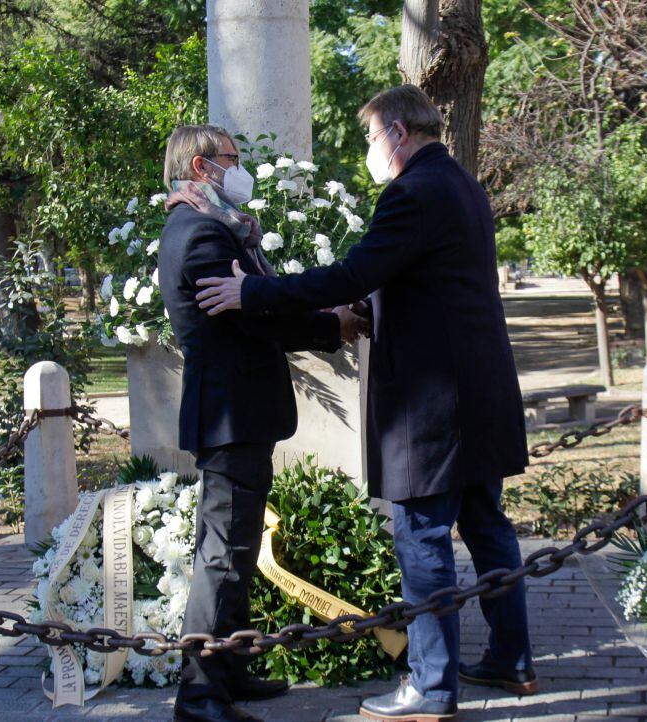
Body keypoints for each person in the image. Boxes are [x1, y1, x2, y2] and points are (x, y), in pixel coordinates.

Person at [195, 85, 535, 722]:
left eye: (371, 138)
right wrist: (364, 315)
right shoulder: (463, 185)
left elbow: (353, 274)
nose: (370, 151)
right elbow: (426, 282)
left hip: (434, 403)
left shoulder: (410, 193)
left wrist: (255, 293)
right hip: (479, 388)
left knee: (423, 537)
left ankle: (431, 688)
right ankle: (511, 660)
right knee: (488, 526)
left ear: (400, 132)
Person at [157, 125, 368, 722]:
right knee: (223, 556)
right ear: (202, 168)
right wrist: (333, 327)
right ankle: (199, 695)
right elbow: (253, 318)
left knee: (237, 549)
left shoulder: (220, 228)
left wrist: (324, 313)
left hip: (242, 414)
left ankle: (231, 669)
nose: (241, 168)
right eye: (233, 159)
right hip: (230, 415)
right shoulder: (199, 233)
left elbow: (263, 297)